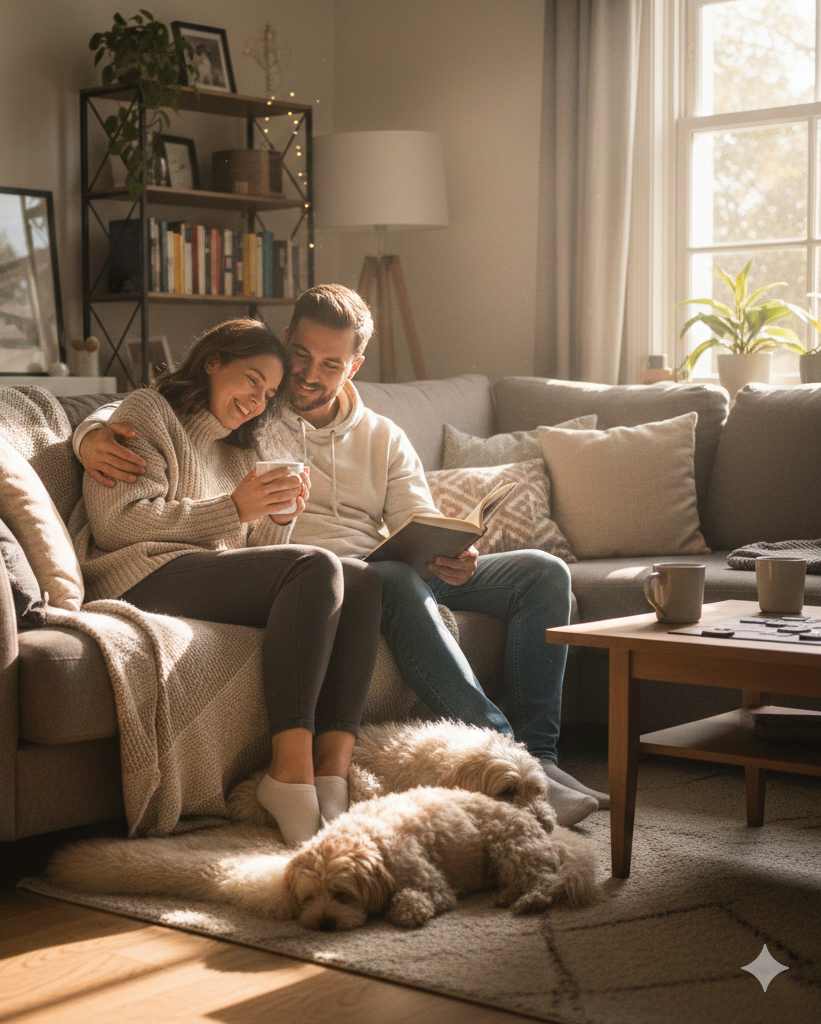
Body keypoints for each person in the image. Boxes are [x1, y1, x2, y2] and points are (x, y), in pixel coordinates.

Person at [74, 290, 608, 826]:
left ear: (354, 366)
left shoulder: (382, 435)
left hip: (388, 566)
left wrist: (451, 552)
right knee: (389, 578)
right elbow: (161, 405)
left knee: (543, 572)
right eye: (301, 356)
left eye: (330, 364)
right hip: (328, 578)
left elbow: (414, 520)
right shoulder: (256, 410)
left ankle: (542, 756)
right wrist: (88, 434)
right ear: (286, 343)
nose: (307, 376)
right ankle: (509, 759)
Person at [71, 317, 382, 846]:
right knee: (318, 566)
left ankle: (331, 771)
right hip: (139, 573)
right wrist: (231, 507)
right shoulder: (149, 414)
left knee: (364, 581)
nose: (259, 399)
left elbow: (255, 555)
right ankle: (289, 774)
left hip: (199, 573)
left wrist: (278, 516)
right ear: (214, 361)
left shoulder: (240, 448)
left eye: (268, 392)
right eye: (252, 379)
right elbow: (117, 522)